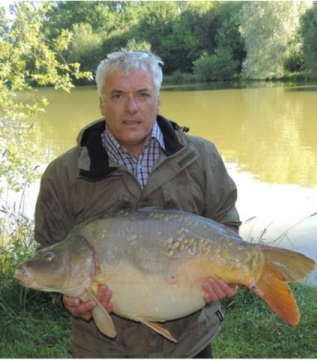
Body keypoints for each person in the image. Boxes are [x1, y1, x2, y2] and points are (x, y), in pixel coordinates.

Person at [34, 49, 241, 358]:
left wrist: (227, 273)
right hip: (101, 349)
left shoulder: (202, 156)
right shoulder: (62, 175)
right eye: (118, 95)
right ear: (101, 102)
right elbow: (51, 254)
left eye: (142, 94)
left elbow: (226, 224)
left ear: (158, 100)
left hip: (189, 344)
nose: (131, 108)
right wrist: (68, 301)